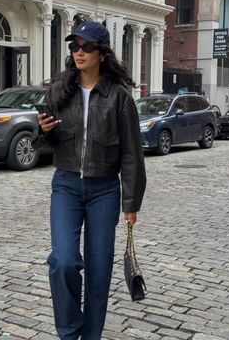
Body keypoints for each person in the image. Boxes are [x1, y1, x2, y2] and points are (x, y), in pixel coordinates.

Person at [37, 21, 146, 340]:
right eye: (74, 46)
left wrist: (131, 203)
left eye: (86, 47)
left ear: (102, 53)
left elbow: (131, 153)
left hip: (104, 191)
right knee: (63, 261)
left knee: (99, 271)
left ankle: (92, 336)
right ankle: (70, 332)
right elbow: (45, 145)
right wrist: (42, 132)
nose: (79, 52)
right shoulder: (58, 90)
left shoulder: (119, 97)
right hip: (66, 186)